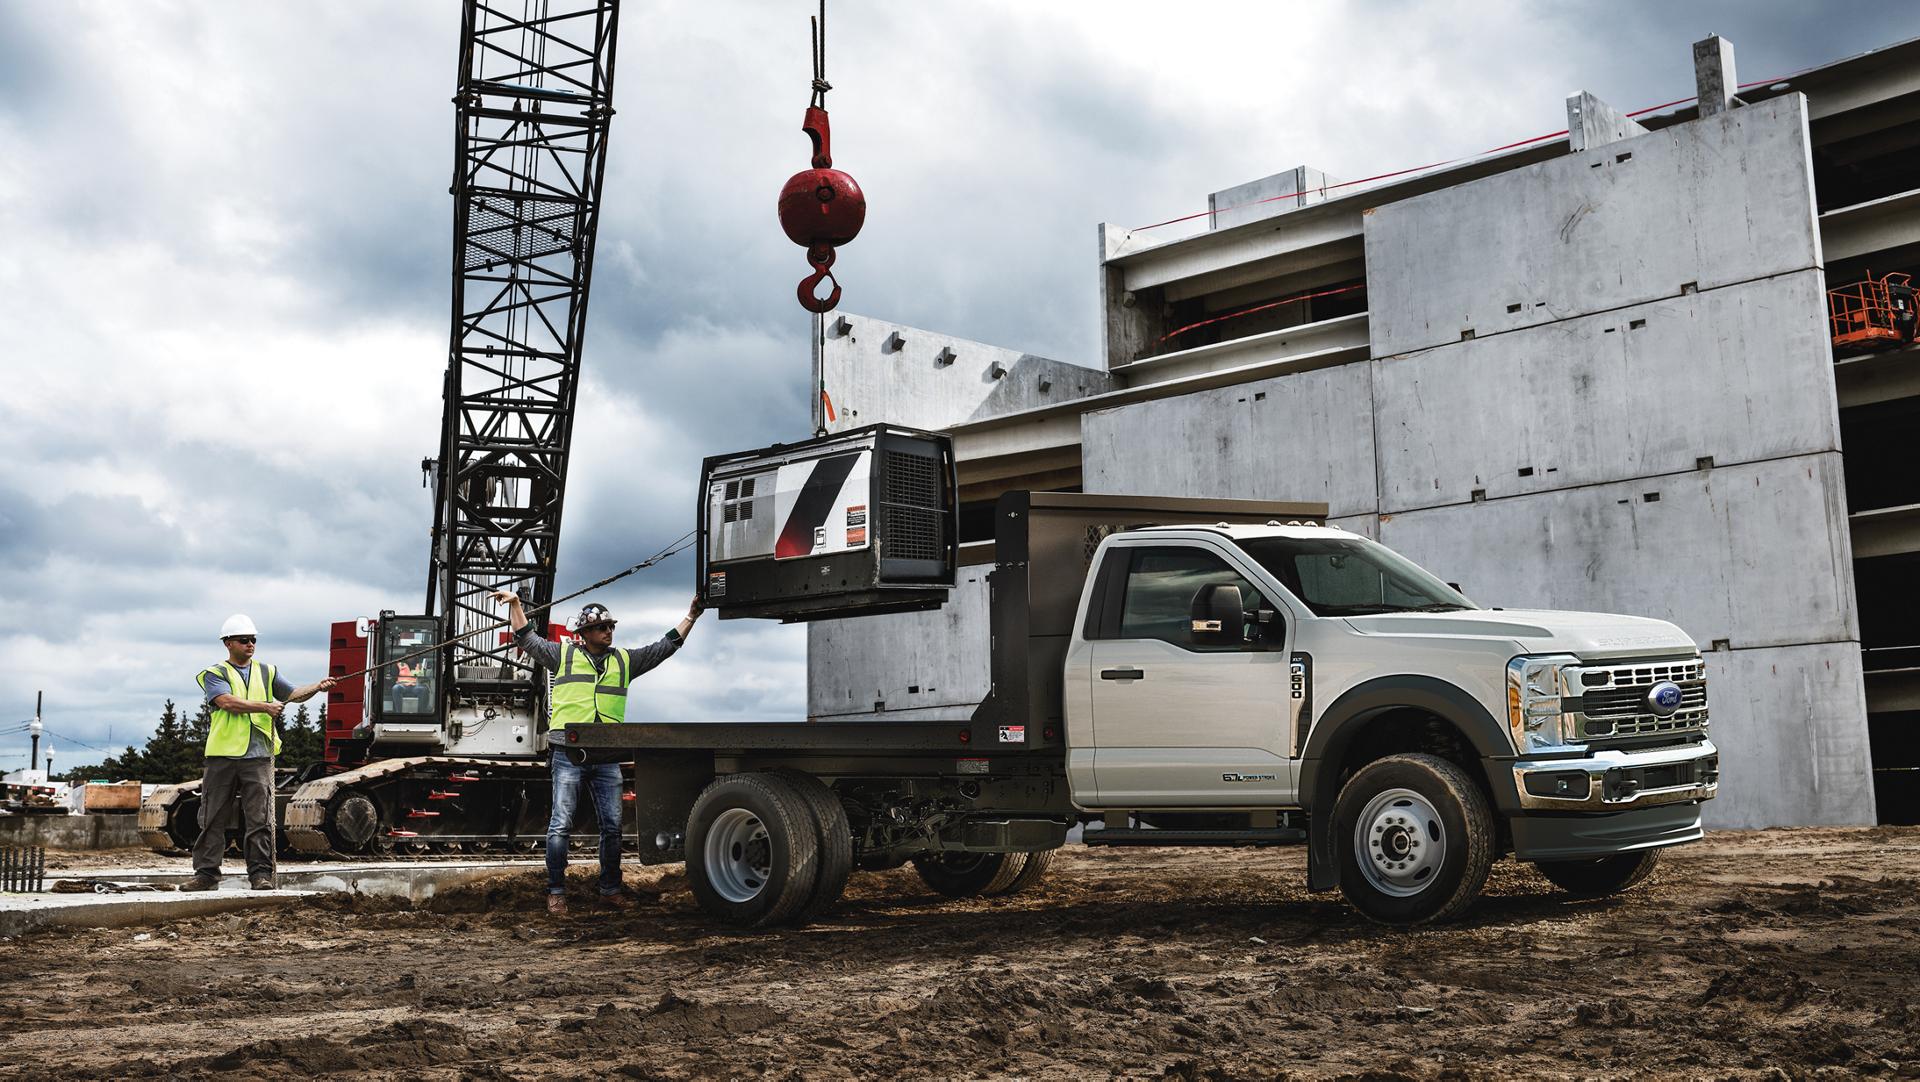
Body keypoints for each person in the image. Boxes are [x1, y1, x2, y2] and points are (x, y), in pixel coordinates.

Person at [489, 590, 704, 914]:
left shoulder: (625, 660)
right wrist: (517, 605)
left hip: (606, 757)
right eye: (602, 627)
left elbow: (664, 648)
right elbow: (527, 638)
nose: (609, 631)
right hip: (568, 753)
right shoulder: (562, 655)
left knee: (613, 827)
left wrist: (691, 617)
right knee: (560, 824)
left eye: (610, 626)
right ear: (585, 634)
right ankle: (556, 891)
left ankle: (610, 890)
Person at [181, 614, 335, 891]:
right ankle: (206, 876)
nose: (250, 644)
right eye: (244, 640)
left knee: (260, 820)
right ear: (228, 643)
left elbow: (293, 693)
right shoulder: (215, 673)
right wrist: (265, 707)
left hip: (259, 757)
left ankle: (260, 876)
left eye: (253, 639)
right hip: (222, 756)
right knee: (212, 817)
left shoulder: (267, 671)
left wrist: (316, 687)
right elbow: (226, 702)